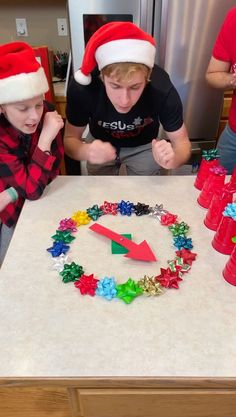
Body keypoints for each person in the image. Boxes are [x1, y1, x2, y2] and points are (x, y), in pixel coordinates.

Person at [64, 21, 191, 176]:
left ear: (147, 78)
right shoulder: (83, 87)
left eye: (135, 87)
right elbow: (70, 139)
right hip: (99, 142)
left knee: (147, 195)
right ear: (102, 77)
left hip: (145, 145)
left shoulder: (162, 89)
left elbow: (182, 144)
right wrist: (86, 151)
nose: (124, 101)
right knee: (99, 194)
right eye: (115, 86)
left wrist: (173, 159)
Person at [0, 41, 64, 265]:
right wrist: (45, 138)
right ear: (1, 107)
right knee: (13, 265)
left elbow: (52, 172)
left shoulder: (48, 112)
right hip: (10, 213)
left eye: (38, 105)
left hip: (33, 200)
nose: (35, 116)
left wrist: (12, 192)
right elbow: (32, 189)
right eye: (22, 108)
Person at [206, 6, 236, 175]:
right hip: (233, 137)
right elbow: (212, 75)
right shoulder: (234, 17)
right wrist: (233, 79)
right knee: (213, 185)